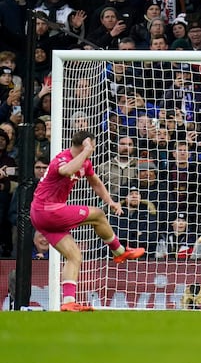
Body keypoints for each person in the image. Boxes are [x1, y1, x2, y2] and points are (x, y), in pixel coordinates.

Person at [30, 131, 144, 312]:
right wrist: (86, 150)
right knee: (98, 214)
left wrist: (111, 202)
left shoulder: (86, 163)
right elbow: (66, 170)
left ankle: (68, 302)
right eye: (93, 145)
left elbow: (96, 183)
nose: (94, 149)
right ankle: (120, 251)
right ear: (87, 144)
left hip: (44, 216)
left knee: (74, 255)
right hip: (47, 211)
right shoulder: (61, 159)